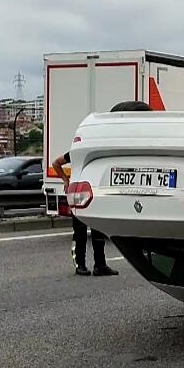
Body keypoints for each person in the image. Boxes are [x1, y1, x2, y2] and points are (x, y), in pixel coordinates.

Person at [52, 100, 152, 276]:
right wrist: (66, 181)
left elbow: (57, 163)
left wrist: (66, 181)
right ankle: (82, 265)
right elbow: (56, 163)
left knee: (94, 232)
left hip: (88, 194)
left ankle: (98, 265)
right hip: (83, 194)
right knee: (82, 232)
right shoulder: (80, 152)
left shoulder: (84, 151)